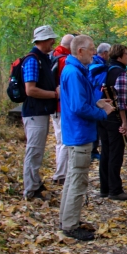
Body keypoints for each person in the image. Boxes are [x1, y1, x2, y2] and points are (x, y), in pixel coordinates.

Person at [59, 35, 115, 241]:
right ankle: (70, 225)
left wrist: (99, 102)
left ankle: (67, 220)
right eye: (91, 49)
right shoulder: (74, 72)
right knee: (77, 180)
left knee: (73, 178)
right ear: (80, 51)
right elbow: (78, 107)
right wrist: (103, 113)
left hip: (78, 132)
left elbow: (83, 99)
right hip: (79, 133)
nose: (94, 52)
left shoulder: (76, 70)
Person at [22, 25, 60, 201]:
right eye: (51, 39)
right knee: (34, 151)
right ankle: (30, 189)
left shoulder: (42, 58)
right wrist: (54, 94)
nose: (53, 43)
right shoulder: (32, 60)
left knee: (37, 150)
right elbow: (30, 90)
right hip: (34, 112)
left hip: (41, 111)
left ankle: (35, 183)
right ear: (43, 40)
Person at [98, 44, 127, 200]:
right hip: (114, 118)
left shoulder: (104, 69)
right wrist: (124, 122)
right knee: (115, 153)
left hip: (102, 115)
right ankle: (115, 189)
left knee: (106, 151)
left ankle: (104, 187)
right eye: (126, 54)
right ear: (120, 56)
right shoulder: (120, 74)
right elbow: (121, 101)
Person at [51, 34, 74, 185]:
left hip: (54, 104)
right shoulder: (64, 60)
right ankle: (61, 174)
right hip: (61, 105)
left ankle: (60, 172)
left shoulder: (52, 56)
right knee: (64, 140)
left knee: (60, 140)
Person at [88, 43, 111, 161]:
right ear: (105, 53)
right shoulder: (97, 65)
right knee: (95, 125)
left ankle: (94, 149)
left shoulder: (100, 63)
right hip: (96, 98)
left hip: (97, 98)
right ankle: (92, 150)